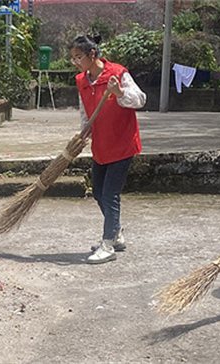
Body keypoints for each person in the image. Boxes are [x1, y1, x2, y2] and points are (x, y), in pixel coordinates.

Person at [70, 35, 146, 264]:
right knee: (98, 192)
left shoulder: (118, 73)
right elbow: (86, 111)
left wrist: (119, 93)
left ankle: (107, 245)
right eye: (73, 58)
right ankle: (116, 234)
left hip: (122, 144)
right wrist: (84, 132)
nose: (76, 62)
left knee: (110, 194)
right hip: (101, 145)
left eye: (79, 57)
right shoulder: (81, 80)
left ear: (92, 55)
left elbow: (140, 99)